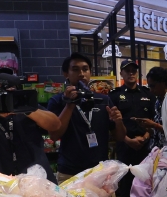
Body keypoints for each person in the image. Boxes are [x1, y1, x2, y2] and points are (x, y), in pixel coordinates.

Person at [0, 62, 61, 181]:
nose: (3, 89)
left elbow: (55, 125)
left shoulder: (24, 106)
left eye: (6, 84)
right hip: (3, 187)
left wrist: (23, 107)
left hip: (40, 184)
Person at [47, 53, 125, 183]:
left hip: (100, 171)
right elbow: (54, 135)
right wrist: (70, 104)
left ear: (90, 72)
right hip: (69, 172)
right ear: (66, 74)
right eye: (75, 69)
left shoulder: (103, 100)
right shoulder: (57, 101)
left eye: (85, 69)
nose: (81, 74)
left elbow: (120, 137)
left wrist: (118, 121)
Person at [111, 59, 154, 197]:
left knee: (146, 185)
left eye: (133, 70)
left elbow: (153, 119)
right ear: (121, 73)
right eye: (127, 70)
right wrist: (128, 140)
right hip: (125, 147)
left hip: (145, 148)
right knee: (126, 187)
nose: (131, 73)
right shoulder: (114, 96)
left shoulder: (147, 94)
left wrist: (146, 136)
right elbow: (112, 125)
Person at [131, 66, 167, 150]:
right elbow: (158, 129)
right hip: (158, 148)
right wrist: (148, 128)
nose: (151, 90)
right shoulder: (158, 100)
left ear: (162, 83)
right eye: (149, 86)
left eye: (153, 86)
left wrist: (154, 125)